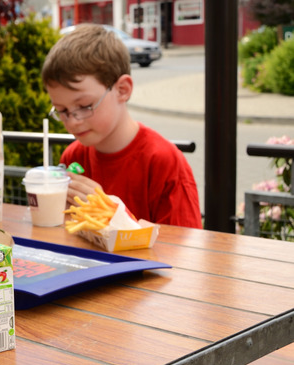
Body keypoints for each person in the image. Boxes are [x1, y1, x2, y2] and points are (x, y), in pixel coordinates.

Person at [42, 23, 202, 229]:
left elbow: (185, 251)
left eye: (84, 106)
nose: (72, 121)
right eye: (62, 111)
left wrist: (112, 215)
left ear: (122, 90)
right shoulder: (73, 158)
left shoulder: (164, 162)